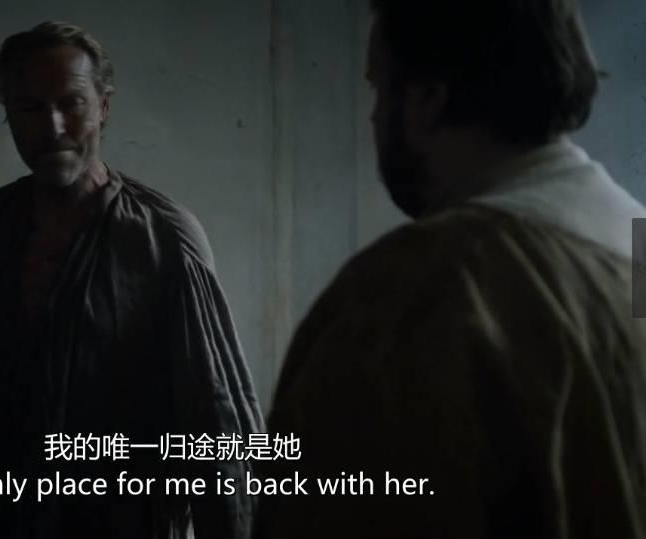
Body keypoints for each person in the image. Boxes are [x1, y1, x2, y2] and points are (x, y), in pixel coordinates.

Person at [255, 1, 646, 537]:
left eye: (379, 90)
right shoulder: (634, 238)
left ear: (425, 100)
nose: (373, 117)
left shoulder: (425, 282)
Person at [0, 21, 263, 539]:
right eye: (29, 108)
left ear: (103, 105)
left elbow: (212, 410)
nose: (52, 127)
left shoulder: (164, 239)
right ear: (9, 115)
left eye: (71, 103)